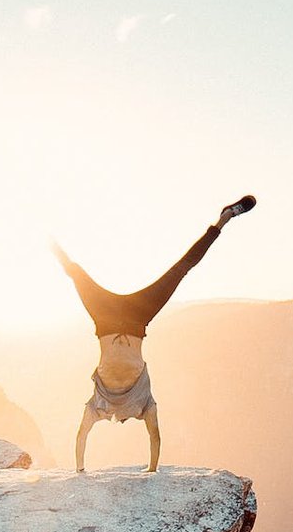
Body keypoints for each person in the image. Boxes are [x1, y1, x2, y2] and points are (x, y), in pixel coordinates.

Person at [57, 195, 255, 472]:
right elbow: (155, 437)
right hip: (137, 317)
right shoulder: (144, 404)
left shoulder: (97, 405)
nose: (122, 418)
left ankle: (45, 237)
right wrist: (151, 470)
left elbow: (81, 437)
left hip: (106, 318)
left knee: (74, 272)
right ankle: (223, 220)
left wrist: (80, 471)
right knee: (180, 269)